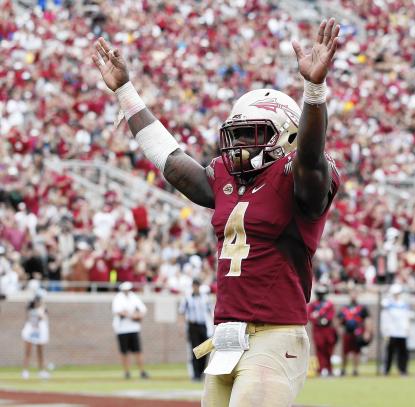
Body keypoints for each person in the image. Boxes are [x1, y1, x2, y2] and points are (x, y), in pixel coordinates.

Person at [92, 16, 341, 407]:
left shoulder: (298, 178)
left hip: (275, 335)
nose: (240, 144)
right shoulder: (228, 178)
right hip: (226, 336)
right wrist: (126, 91)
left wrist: (313, 89)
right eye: (237, 134)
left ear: (288, 135)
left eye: (253, 134)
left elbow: (310, 157)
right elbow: (173, 163)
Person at [179, 278, 214, 381]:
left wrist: (213, 326)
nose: (196, 287)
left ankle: (201, 372)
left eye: (197, 285)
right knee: (194, 350)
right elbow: (181, 313)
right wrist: (181, 327)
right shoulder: (187, 298)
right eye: (194, 285)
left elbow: (211, 312)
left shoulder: (205, 298)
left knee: (204, 349)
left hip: (203, 325)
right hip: (192, 325)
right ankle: (195, 374)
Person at [112, 282, 149, 379]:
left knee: (138, 351)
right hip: (122, 329)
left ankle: (142, 371)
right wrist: (131, 315)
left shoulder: (134, 297)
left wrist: (137, 315)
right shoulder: (118, 298)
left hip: (134, 328)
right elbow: (118, 311)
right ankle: (127, 372)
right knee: (124, 352)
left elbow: (143, 309)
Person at [381, 283, 415, 376]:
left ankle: (403, 370)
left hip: (402, 332)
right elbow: (385, 318)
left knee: (403, 352)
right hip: (392, 332)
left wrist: (408, 329)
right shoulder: (388, 304)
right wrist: (385, 331)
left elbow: (406, 318)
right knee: (390, 352)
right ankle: (386, 370)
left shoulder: (404, 304)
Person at [338, 288, 371, 376]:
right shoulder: (345, 308)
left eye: (355, 294)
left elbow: (367, 320)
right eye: (351, 294)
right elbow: (338, 320)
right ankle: (343, 369)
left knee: (356, 352)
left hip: (357, 333)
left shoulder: (362, 308)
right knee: (345, 352)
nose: (353, 296)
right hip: (347, 332)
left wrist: (367, 332)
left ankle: (355, 370)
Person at [307, 284, 337, 377]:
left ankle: (329, 369)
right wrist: (318, 320)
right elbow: (309, 316)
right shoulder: (313, 305)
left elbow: (331, 315)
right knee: (319, 348)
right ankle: (321, 368)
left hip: (328, 329)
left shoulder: (329, 304)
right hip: (318, 329)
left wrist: (325, 319)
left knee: (329, 349)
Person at [21, 290, 50, 380]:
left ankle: (41, 371)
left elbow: (44, 318)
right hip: (32, 330)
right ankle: (25, 371)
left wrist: (41, 310)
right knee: (28, 351)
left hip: (40, 331)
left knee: (40, 352)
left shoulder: (43, 309)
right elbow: (30, 317)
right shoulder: (31, 307)